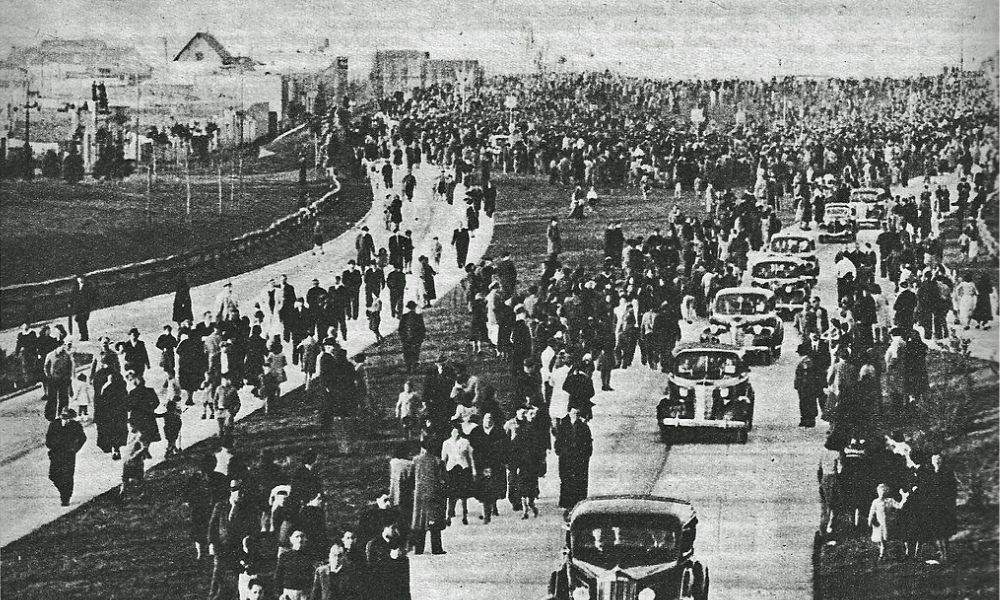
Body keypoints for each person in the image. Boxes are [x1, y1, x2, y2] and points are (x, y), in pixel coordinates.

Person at [208, 481, 256, 600]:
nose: (239, 494)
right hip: (220, 549)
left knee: (233, 582)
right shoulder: (220, 506)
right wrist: (212, 543)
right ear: (231, 492)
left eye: (242, 491)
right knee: (217, 579)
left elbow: (250, 530)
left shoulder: (245, 511)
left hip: (236, 551)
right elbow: (213, 526)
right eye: (235, 490)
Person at [554, 406, 593, 519]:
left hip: (580, 459)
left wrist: (586, 456)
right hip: (566, 458)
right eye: (573, 412)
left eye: (577, 412)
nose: (575, 414)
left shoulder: (583, 426)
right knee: (566, 479)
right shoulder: (563, 426)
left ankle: (579, 504)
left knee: (580, 480)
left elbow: (588, 443)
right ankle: (568, 505)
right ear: (569, 412)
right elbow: (558, 442)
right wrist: (561, 453)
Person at [45, 408, 87, 506]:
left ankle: (66, 497)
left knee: (67, 476)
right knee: (53, 475)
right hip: (56, 454)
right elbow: (49, 437)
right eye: (64, 417)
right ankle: (63, 492)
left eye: (68, 418)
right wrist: (50, 445)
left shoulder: (75, 425)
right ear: (61, 416)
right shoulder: (54, 424)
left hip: (69, 455)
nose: (66, 420)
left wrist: (74, 449)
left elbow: (83, 438)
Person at [441, 425, 475, 525]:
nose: (456, 434)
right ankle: (449, 515)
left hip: (463, 469)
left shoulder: (465, 442)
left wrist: (474, 472)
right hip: (451, 470)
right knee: (451, 494)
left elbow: (471, 457)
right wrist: (442, 473)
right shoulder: (446, 443)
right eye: (454, 432)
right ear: (451, 433)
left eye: (458, 432)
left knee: (463, 494)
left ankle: (464, 515)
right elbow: (443, 459)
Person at [868, 483, 909, 560]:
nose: (882, 493)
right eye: (880, 491)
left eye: (884, 491)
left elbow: (900, 506)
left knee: (900, 537)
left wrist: (904, 498)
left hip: (891, 523)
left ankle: (906, 553)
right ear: (878, 492)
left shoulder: (890, 500)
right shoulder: (876, 502)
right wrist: (870, 521)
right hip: (881, 524)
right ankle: (882, 555)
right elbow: (871, 512)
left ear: (887, 492)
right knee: (882, 540)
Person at [274, 530, 314, 600]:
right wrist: (280, 594)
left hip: (304, 594)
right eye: (297, 537)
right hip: (287, 594)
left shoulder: (309, 556)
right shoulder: (284, 556)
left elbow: (311, 577)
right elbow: (278, 576)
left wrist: (308, 594)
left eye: (302, 536)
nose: (300, 539)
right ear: (291, 539)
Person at [43, 340, 74, 421]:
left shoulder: (66, 356)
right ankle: (50, 415)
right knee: (52, 398)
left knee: (63, 397)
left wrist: (68, 378)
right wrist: (49, 376)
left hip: (63, 380)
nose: (67, 348)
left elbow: (69, 368)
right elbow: (46, 366)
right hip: (53, 380)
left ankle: (60, 414)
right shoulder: (50, 355)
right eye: (67, 345)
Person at [118, 421, 147, 504]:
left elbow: (143, 448)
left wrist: (135, 456)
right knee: (125, 478)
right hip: (127, 460)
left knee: (139, 479)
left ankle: (141, 494)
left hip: (136, 461)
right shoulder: (130, 434)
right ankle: (122, 493)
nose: (130, 427)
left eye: (132, 425)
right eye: (130, 425)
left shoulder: (140, 435)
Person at [399, 302, 426, 373]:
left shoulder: (404, 316)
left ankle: (408, 367)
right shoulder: (418, 316)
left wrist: (402, 338)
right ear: (414, 308)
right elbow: (422, 329)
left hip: (406, 338)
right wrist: (421, 338)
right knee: (415, 352)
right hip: (416, 339)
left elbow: (401, 329)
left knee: (407, 353)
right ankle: (413, 367)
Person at [69, 274, 97, 341]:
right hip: (78, 308)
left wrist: (89, 304)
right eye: (78, 278)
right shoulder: (76, 287)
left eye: (81, 278)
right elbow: (72, 296)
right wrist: (70, 303)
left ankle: (84, 336)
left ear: (84, 279)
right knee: (79, 320)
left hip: (85, 308)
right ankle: (82, 335)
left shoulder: (88, 287)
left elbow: (92, 296)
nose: (80, 280)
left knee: (83, 321)